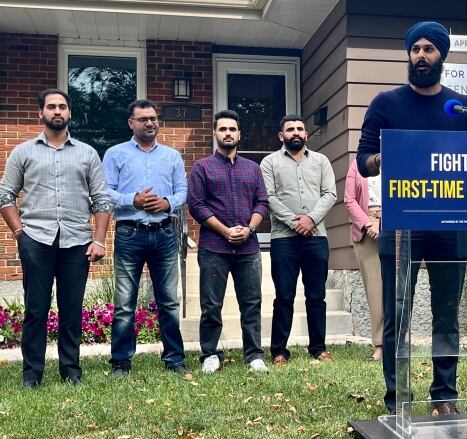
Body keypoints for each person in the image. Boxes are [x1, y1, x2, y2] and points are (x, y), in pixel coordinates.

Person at [356, 21, 467, 416]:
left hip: (450, 225)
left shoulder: (461, 108)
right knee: (398, 314)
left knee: (447, 314)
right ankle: (398, 399)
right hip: (402, 224)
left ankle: (444, 395)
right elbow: (363, 161)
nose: (421, 55)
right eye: (416, 49)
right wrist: (384, 157)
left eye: (429, 49)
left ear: (442, 55)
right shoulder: (385, 104)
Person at [0, 89, 113, 387]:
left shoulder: (87, 153)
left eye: (62, 107)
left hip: (76, 241)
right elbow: (5, 195)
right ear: (41, 113)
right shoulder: (23, 152)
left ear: (70, 113)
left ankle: (71, 370)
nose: (57, 111)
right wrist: (19, 233)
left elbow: (102, 200)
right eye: (51, 107)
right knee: (36, 310)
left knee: (71, 309)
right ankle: (31, 374)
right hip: (36, 240)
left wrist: (99, 240)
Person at [102, 99, 190, 378]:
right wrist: (133, 201)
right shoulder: (115, 154)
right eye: (143, 119)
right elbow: (105, 192)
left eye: (153, 118)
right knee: (125, 303)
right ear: (132, 123)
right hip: (130, 234)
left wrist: (167, 203)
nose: (150, 123)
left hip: (164, 234)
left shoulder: (172, 156)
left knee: (169, 301)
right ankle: (120, 362)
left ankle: (174, 358)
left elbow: (182, 191)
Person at [188, 110, 270, 374]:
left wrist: (249, 229)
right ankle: (210, 354)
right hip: (214, 247)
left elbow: (262, 203)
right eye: (222, 129)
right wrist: (225, 230)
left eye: (232, 129)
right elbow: (196, 205)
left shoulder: (253, 169)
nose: (227, 133)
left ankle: (254, 355)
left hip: (248, 247)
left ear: (239, 134)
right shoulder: (202, 167)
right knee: (211, 304)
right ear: (215, 134)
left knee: (252, 302)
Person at [260, 114, 337, 365]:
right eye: (290, 129)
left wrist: (311, 220)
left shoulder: (321, 161)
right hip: (284, 239)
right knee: (284, 296)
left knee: (316, 295)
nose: (296, 132)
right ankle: (279, 351)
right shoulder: (269, 163)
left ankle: (318, 348)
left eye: (300, 129)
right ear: (281, 136)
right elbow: (268, 197)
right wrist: (296, 221)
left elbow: (330, 194)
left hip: (316, 238)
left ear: (306, 134)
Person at [344, 159, 383, 361]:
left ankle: (399, 343)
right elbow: (349, 200)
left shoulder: (401, 154)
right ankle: (379, 345)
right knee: (375, 290)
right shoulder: (357, 163)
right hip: (366, 228)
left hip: (397, 223)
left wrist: (384, 222)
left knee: (400, 288)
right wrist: (369, 224)